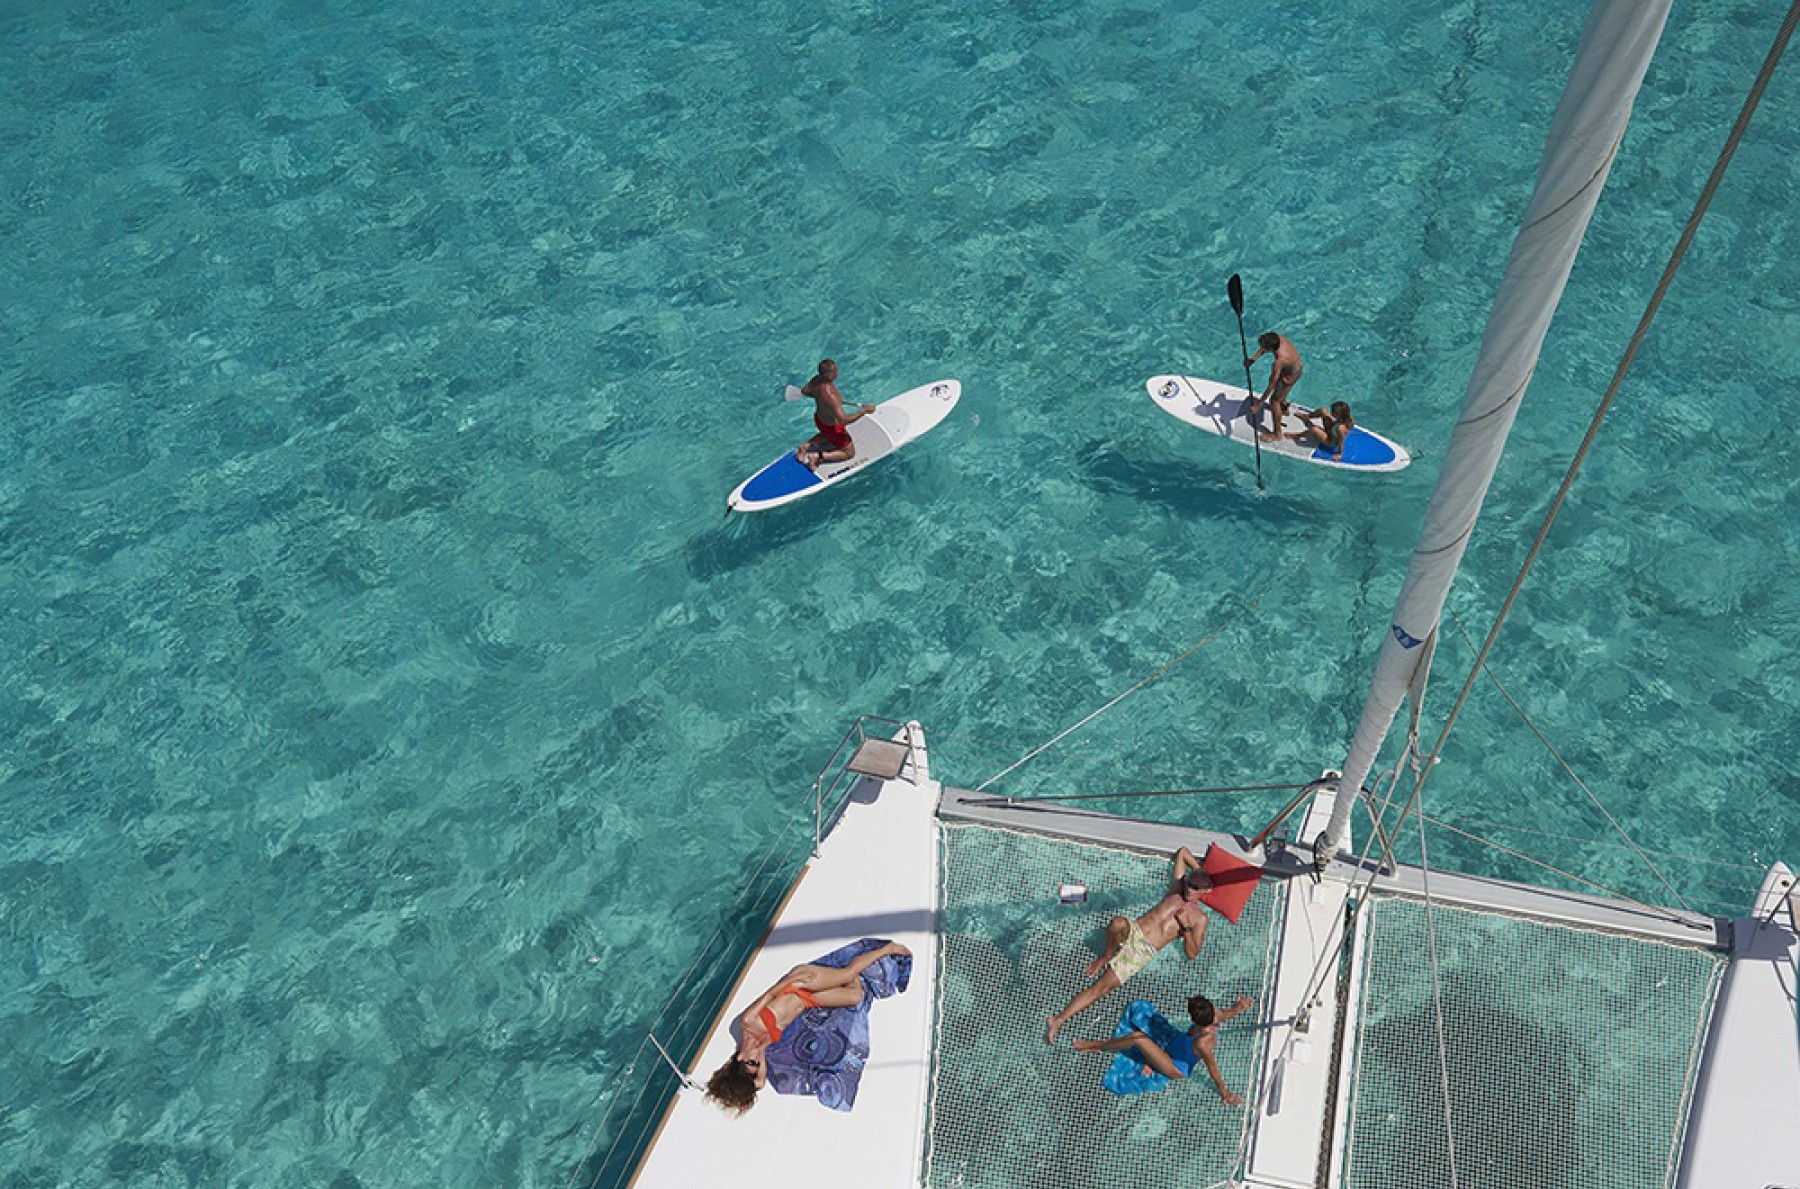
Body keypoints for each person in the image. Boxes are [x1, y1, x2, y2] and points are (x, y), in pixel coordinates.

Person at [704, 940, 911, 1114]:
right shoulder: (762, 1050)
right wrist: (736, 1090)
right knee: (855, 996)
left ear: (738, 1058)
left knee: (848, 976)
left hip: (799, 986)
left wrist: (791, 979)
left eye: (752, 1061)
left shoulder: (749, 1022)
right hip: (809, 1001)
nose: (758, 1060)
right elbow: (758, 1084)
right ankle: (847, 973)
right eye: (758, 1065)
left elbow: (769, 995)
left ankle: (887, 949)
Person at [1045, 846, 1214, 1046]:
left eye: (1195, 888)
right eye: (1189, 883)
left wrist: (1185, 927)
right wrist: (1200, 870)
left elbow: (1192, 954)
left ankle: (1058, 1019)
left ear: (1206, 892)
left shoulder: (1199, 919)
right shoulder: (1176, 890)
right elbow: (1183, 852)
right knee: (1117, 923)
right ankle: (1106, 956)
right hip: (1134, 930)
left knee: (1101, 988)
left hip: (1141, 952)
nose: (1189, 889)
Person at [1073, 993, 1255, 1105]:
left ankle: (1096, 1046)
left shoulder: (1203, 1044)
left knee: (1138, 1038)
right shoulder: (1212, 1014)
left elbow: (1213, 1070)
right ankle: (1152, 1057)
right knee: (1142, 1013)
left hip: (1175, 1066)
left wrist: (1225, 1093)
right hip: (1172, 1043)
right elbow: (1225, 1015)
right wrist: (1239, 1007)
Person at [796, 359, 876, 470]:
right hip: (833, 426)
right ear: (828, 374)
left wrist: (820, 397)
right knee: (849, 453)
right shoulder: (832, 395)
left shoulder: (816, 380)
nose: (837, 373)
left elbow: (805, 391)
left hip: (819, 420)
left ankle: (805, 446)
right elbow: (843, 420)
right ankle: (816, 456)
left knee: (826, 434)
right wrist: (864, 411)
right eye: (834, 371)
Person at [1244, 331, 1303, 442]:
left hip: (1290, 376)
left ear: (1270, 349)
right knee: (1281, 394)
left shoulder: (1279, 362)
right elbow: (1264, 348)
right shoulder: (1278, 339)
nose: (1261, 349)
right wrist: (1253, 359)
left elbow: (1271, 385)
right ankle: (1284, 407)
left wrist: (1259, 404)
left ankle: (1277, 434)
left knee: (1274, 400)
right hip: (1296, 368)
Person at [1289, 400, 1354, 460]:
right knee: (1322, 410)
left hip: (1330, 441)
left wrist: (1339, 454)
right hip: (1332, 430)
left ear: (1339, 415)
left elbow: (1340, 442)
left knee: (1314, 429)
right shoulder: (1347, 418)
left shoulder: (1340, 429)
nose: (1331, 412)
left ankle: (1297, 435)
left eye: (1333, 412)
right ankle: (1306, 416)